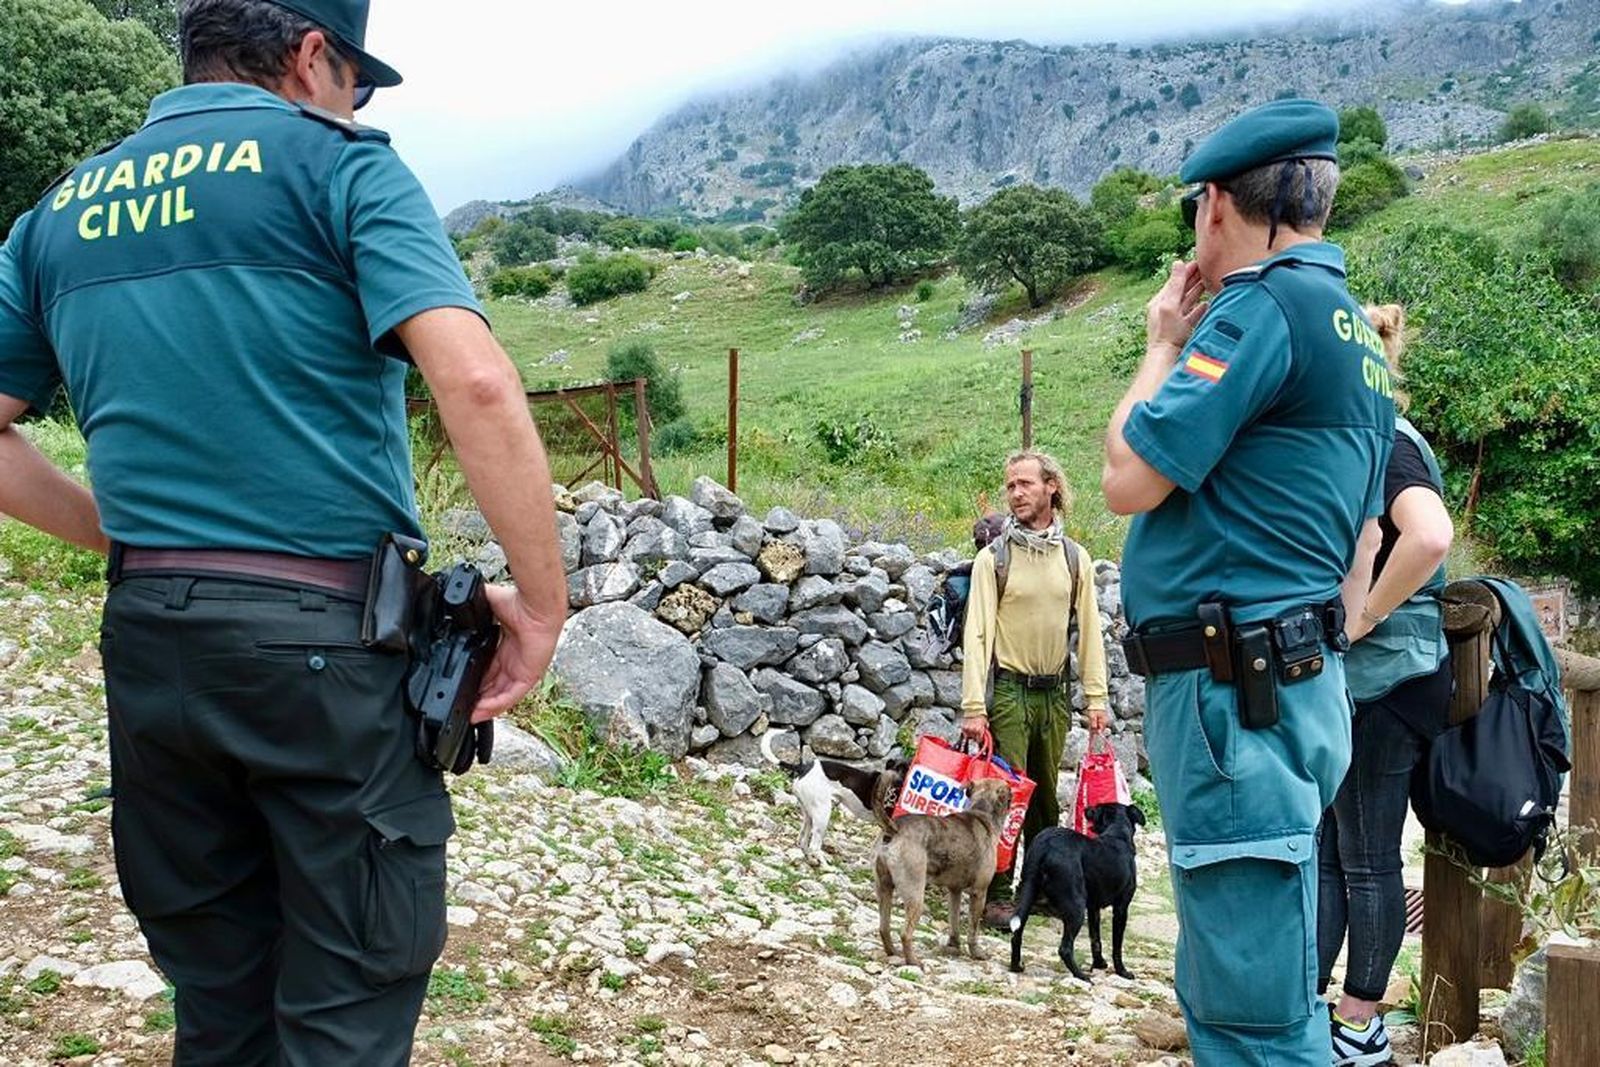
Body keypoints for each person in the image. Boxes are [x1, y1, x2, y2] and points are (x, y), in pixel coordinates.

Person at [0, 1, 566, 1062]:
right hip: (328, 652)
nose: (356, 103)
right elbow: (479, 383)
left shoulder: (59, 211)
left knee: (219, 1002)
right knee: (346, 1005)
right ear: (312, 56)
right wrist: (540, 605)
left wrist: (124, 538)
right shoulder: (341, 168)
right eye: (356, 79)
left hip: (152, 647)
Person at [1102, 99, 1395, 1065]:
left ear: (1219, 203)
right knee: (1257, 978)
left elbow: (1127, 477)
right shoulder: (1354, 331)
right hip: (1293, 685)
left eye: (1197, 205)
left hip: (1234, 695)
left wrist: (1160, 344)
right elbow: (1362, 539)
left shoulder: (1261, 308)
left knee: (1251, 1018)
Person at [1318, 305, 1454, 1067]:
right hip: (1371, 678)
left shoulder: (1389, 441)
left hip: (1388, 678)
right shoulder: (1368, 437)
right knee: (1337, 852)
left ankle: (1357, 1024)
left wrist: (1361, 617)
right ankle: (1322, 1011)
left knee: (1365, 855)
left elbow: (1430, 536)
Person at [959, 449, 1110, 928]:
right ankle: (996, 894)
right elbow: (977, 634)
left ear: (1052, 487)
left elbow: (1090, 632)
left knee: (1044, 798)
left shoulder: (1074, 558)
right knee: (1004, 795)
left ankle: (1042, 889)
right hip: (1009, 692)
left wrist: (1097, 698)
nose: (1015, 493)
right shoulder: (993, 559)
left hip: (1054, 693)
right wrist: (973, 706)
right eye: (1010, 486)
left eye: (1025, 483)